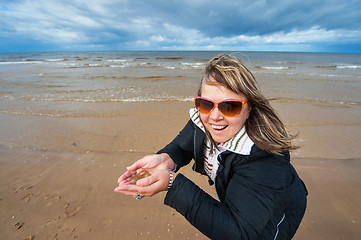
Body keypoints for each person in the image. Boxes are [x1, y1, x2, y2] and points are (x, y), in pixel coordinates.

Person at [114, 54, 307, 240]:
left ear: (249, 108)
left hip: (277, 214)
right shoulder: (201, 120)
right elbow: (182, 147)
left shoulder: (265, 159)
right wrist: (165, 159)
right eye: (206, 104)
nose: (214, 116)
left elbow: (239, 233)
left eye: (230, 106)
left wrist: (173, 183)